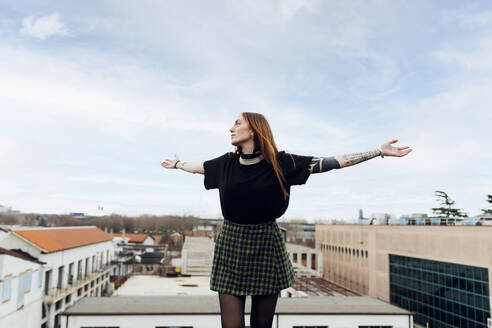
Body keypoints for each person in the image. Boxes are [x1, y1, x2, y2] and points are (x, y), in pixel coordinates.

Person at [161, 112, 412, 328]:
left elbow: (332, 162)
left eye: (238, 123)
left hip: (267, 243)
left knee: (262, 324)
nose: (231, 128)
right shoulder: (225, 163)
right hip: (231, 244)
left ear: (255, 129)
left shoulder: (282, 163)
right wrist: (178, 164)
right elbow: (199, 167)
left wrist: (378, 152)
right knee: (232, 325)